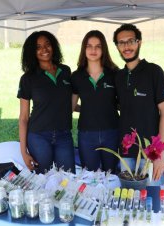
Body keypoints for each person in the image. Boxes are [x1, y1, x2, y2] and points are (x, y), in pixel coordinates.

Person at [113, 24, 164, 182]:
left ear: (139, 42)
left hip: (151, 153)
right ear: (117, 47)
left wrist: (160, 153)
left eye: (130, 41)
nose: (126, 46)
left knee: (151, 200)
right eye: (121, 42)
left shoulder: (154, 72)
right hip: (126, 152)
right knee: (129, 199)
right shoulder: (118, 76)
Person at [17, 31, 75, 174]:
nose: (44, 49)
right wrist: (24, 152)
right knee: (42, 181)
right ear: (32, 52)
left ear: (53, 46)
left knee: (69, 180)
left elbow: (67, 102)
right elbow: (23, 118)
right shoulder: (28, 78)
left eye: (47, 44)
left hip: (64, 135)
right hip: (38, 137)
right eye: (38, 47)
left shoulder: (65, 71)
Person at [71, 30, 119, 173]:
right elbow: (71, 106)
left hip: (112, 132)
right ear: (83, 49)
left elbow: (123, 103)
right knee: (89, 176)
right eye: (89, 46)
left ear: (103, 49)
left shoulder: (115, 74)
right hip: (87, 134)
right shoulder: (77, 76)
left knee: (111, 174)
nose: (93, 50)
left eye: (98, 46)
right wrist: (87, 107)